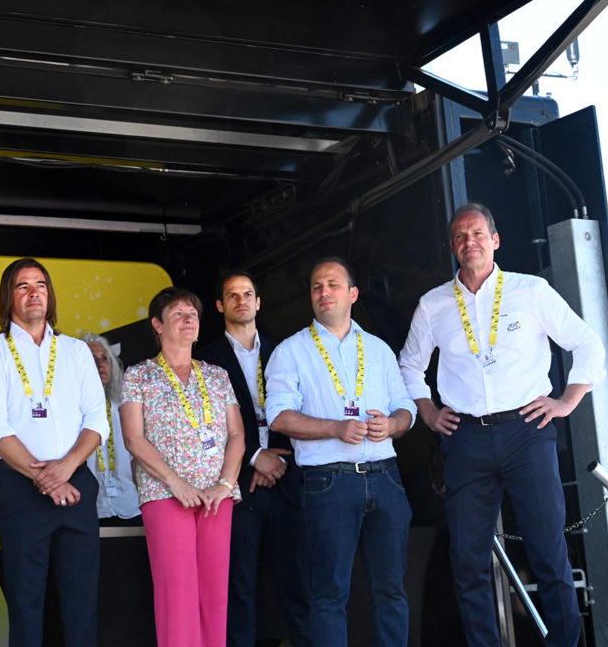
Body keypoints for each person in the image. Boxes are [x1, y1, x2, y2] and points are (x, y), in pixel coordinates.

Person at [398, 202, 606, 647]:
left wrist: (567, 400)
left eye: (477, 234)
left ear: (495, 240)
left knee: (548, 552)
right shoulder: (433, 305)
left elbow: (588, 344)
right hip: (466, 439)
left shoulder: (530, 291)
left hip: (526, 433)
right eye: (459, 236)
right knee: (468, 559)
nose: (468, 242)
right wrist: (429, 412)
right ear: (452, 247)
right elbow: (409, 366)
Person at [265, 257, 414, 647]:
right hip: (327, 482)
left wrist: (394, 425)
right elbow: (277, 416)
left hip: (385, 476)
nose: (324, 292)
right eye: (316, 287)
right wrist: (335, 427)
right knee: (329, 594)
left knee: (392, 591)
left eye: (332, 285)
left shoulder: (378, 349)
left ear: (352, 294)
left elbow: (407, 406)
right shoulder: (291, 350)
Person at [0, 257, 108, 647]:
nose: (34, 293)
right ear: (8, 298)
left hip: (76, 484)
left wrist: (64, 468)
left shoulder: (77, 351)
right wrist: (45, 478)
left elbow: (98, 420)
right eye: (23, 286)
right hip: (20, 489)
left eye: (41, 286)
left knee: (82, 603)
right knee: (27, 604)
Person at [120, 286, 244, 647]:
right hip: (166, 494)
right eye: (178, 314)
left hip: (216, 496)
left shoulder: (217, 375)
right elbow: (133, 439)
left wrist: (225, 483)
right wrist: (177, 485)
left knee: (214, 593)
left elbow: (237, 434)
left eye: (193, 314)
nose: (189, 319)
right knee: (178, 593)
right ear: (157, 324)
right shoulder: (139, 375)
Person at [195, 271, 309, 647]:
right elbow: (204, 427)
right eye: (232, 295)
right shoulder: (204, 359)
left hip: (286, 481)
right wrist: (254, 459)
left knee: (297, 585)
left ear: (259, 302)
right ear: (220, 306)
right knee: (239, 588)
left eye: (248, 294)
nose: (241, 301)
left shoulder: (284, 351)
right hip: (237, 488)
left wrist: (274, 463)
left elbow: (303, 409)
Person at [81, 332, 142, 524]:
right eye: (91, 359)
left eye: (104, 358)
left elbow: (137, 458)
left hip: (128, 505)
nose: (100, 365)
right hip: (88, 508)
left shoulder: (124, 406)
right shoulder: (69, 411)